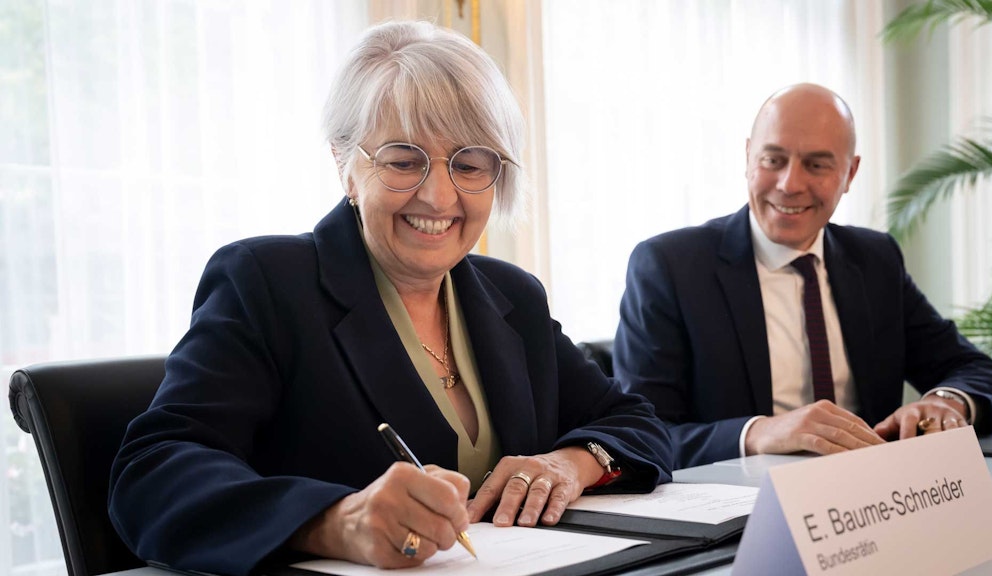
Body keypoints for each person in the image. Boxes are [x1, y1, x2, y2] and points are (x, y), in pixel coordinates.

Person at [109, 21, 672, 576]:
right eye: (404, 160)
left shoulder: (512, 295)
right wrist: (335, 520)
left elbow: (635, 422)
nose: (439, 195)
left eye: (470, 164)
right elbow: (152, 475)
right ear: (344, 165)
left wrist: (569, 464)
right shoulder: (265, 282)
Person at [614, 83, 992, 470]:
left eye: (817, 165)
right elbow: (640, 434)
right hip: (740, 507)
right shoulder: (669, 266)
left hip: (873, 501)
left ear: (850, 174)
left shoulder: (875, 259)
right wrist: (757, 433)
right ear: (749, 157)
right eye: (773, 160)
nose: (790, 184)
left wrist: (946, 401)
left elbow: (978, 372)